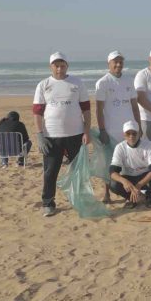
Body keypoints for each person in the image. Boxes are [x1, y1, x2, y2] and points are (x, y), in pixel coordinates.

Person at [33, 52, 91, 217]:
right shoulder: (43, 85)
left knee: (79, 171)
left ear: (67, 66)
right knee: (50, 172)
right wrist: (39, 135)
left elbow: (86, 109)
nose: (59, 68)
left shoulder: (77, 83)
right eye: (56, 65)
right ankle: (48, 203)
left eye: (62, 65)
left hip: (76, 135)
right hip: (52, 136)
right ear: (51, 67)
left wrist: (87, 131)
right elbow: (37, 112)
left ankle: (80, 200)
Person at [95, 51, 141, 203]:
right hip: (110, 131)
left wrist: (139, 126)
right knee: (110, 163)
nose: (118, 64)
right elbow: (98, 109)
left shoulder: (129, 81)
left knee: (129, 162)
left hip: (129, 132)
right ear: (109, 63)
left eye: (121, 62)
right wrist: (102, 130)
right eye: (115, 62)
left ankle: (129, 192)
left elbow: (135, 107)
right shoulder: (103, 83)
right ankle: (107, 193)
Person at [109, 121, 151, 208]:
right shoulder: (120, 147)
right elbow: (112, 171)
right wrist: (125, 182)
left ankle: (149, 197)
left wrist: (139, 185)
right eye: (128, 133)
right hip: (128, 177)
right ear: (124, 135)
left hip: (144, 176)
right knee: (113, 184)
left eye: (134, 133)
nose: (131, 136)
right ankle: (133, 198)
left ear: (139, 133)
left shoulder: (149, 145)